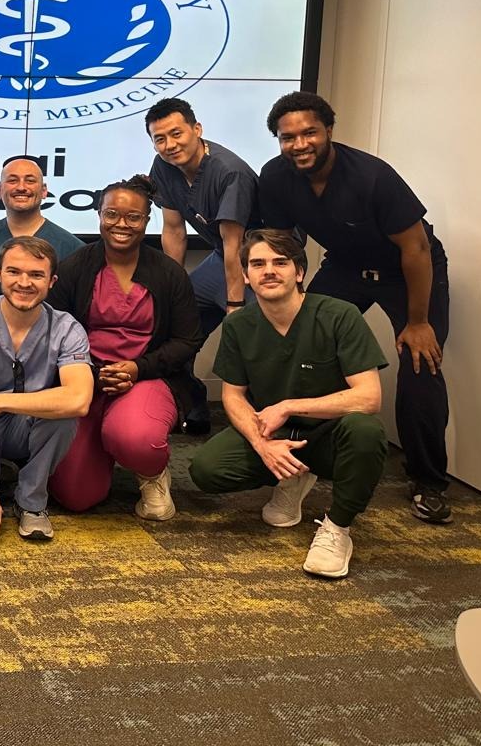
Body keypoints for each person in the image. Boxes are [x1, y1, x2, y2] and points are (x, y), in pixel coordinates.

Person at [257, 91, 453, 525]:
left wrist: (418, 321)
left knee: (420, 364)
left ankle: (429, 482)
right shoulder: (275, 176)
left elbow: (417, 248)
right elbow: (281, 242)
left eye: (309, 133)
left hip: (407, 269)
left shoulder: (372, 176)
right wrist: (288, 297)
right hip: (346, 266)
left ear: (329, 130)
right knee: (302, 343)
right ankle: (301, 455)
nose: (300, 144)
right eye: (288, 137)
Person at [189, 230, 388, 578]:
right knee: (207, 469)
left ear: (299, 272)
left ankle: (337, 528)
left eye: (280, 262)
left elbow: (369, 397)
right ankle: (292, 479)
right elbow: (233, 395)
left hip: (329, 434)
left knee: (366, 432)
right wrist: (262, 445)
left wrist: (289, 406)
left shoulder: (339, 315)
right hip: (275, 433)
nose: (269, 271)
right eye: (258, 264)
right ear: (246, 276)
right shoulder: (239, 325)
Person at [47, 176, 203, 520]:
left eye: (133, 217)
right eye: (112, 214)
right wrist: (89, 373)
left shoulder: (169, 273)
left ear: (147, 220)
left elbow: (187, 340)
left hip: (147, 377)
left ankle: (152, 473)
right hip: (85, 380)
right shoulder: (75, 268)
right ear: (99, 215)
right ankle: (102, 448)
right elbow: (51, 334)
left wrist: (137, 368)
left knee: (134, 438)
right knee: (75, 496)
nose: (121, 224)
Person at [0, 236, 93, 541]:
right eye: (14, 272)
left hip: (24, 423)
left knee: (64, 416)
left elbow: (79, 399)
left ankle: (31, 501)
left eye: (36, 275)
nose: (24, 283)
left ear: (51, 282)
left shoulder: (67, 328)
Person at [145, 97, 260, 435]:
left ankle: (262, 421)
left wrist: (235, 306)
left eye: (176, 134)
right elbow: (173, 230)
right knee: (173, 325)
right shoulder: (163, 166)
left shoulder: (229, 171)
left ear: (197, 129)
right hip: (221, 255)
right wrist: (172, 290)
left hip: (258, 260)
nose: (170, 145)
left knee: (253, 337)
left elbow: (235, 243)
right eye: (160, 138)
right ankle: (192, 403)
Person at [0, 155, 84, 315]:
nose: (21, 187)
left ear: (44, 191)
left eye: (30, 181)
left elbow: (81, 311)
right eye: (12, 180)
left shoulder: (73, 248)